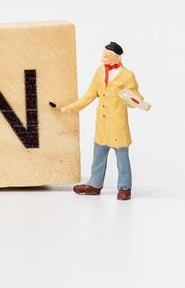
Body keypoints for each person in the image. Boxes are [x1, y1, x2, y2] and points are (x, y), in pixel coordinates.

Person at [55, 41, 147, 201]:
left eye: (107, 55)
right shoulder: (99, 72)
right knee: (98, 156)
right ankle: (95, 184)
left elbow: (135, 97)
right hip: (102, 123)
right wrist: (72, 107)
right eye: (103, 54)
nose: (103, 57)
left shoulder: (128, 75)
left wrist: (135, 100)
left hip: (117, 123)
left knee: (122, 158)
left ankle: (124, 187)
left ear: (117, 57)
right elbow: (90, 94)